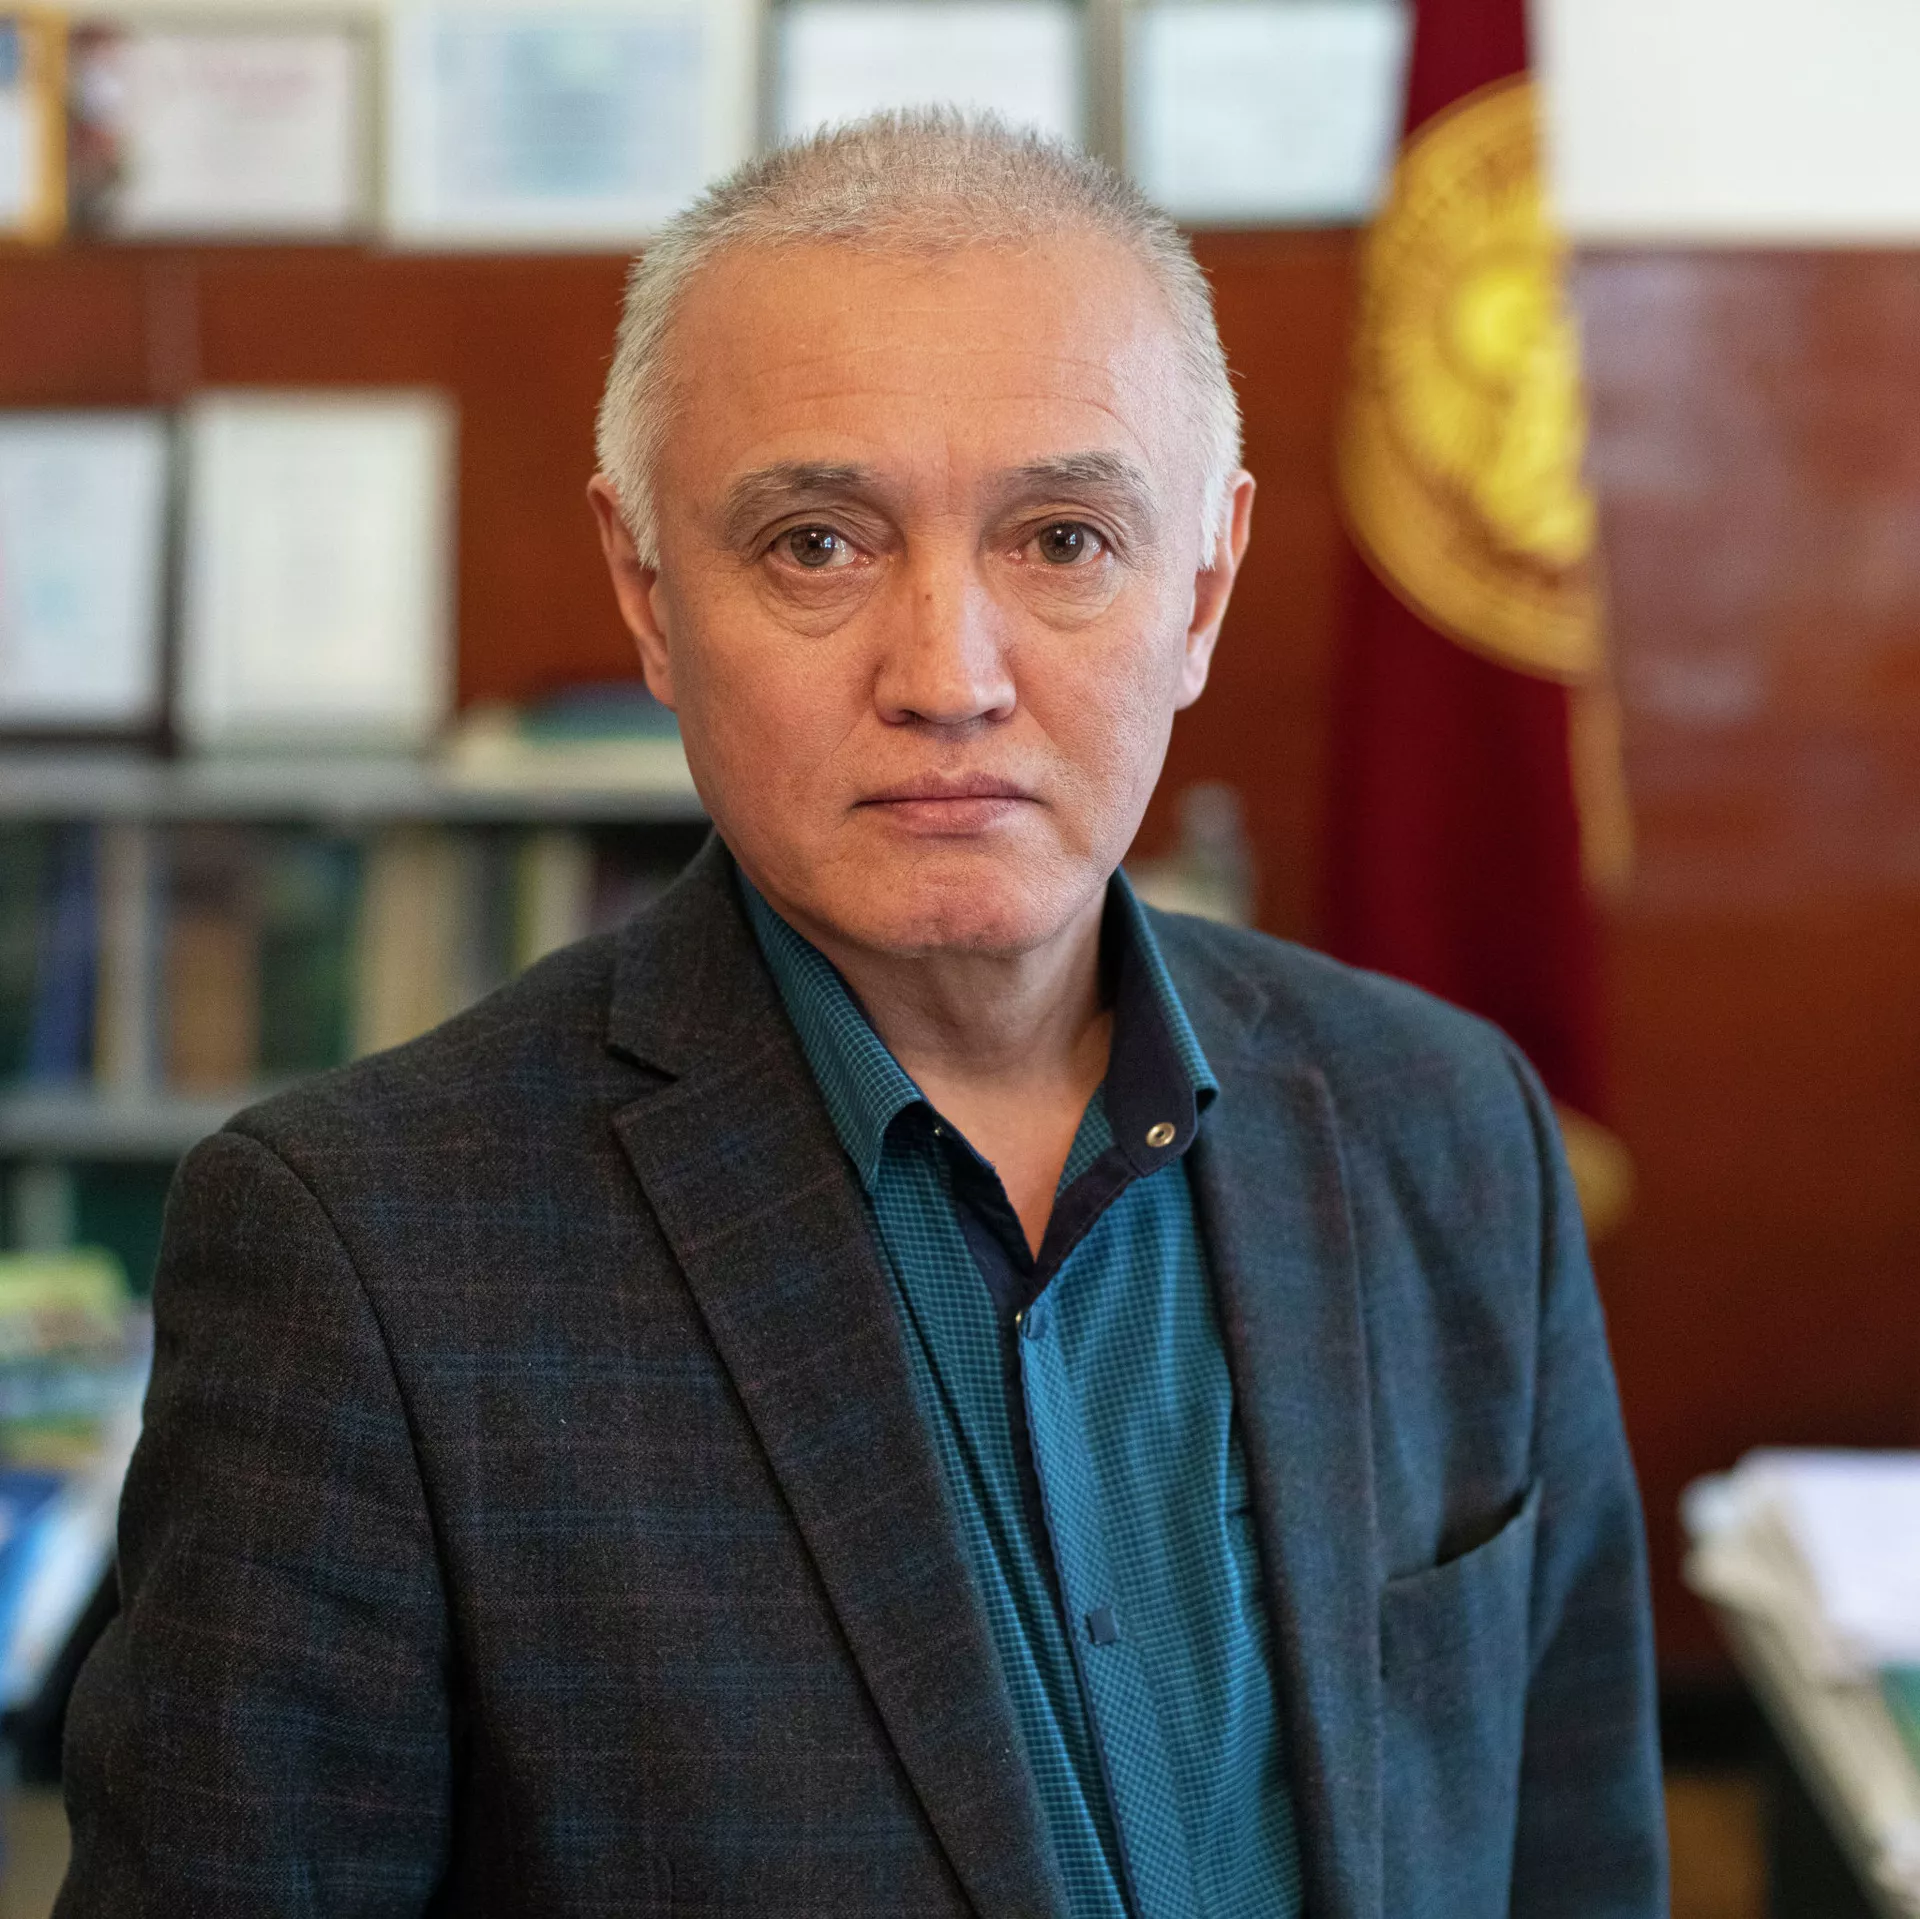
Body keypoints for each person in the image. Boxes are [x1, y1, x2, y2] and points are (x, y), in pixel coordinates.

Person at [57, 113, 1664, 1918]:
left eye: (1065, 538)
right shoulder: (362, 1257)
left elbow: (1576, 1861)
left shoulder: (1451, 1126)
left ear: (1203, 587)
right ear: (648, 594)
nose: (949, 677)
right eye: (816, 543)